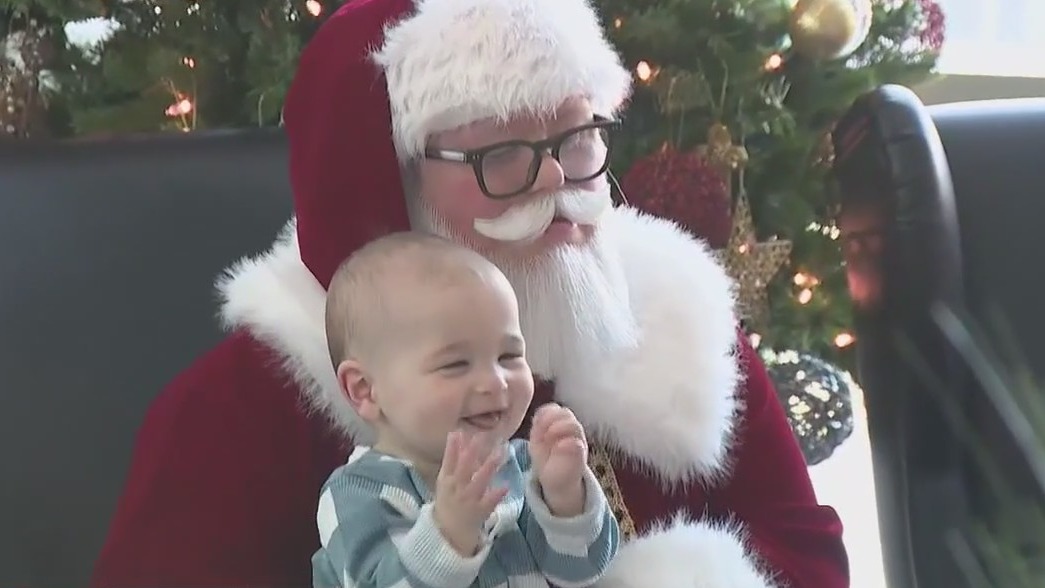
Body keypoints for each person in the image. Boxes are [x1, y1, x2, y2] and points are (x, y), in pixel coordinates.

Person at [90, 0, 849, 586]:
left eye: (576, 140)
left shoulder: (667, 314)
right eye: (505, 154)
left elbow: (804, 549)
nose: (555, 180)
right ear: (391, 178)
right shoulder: (257, 397)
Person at [314, 232, 619, 587]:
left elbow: (581, 571)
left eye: (509, 357)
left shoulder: (522, 466)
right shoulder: (356, 493)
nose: (496, 383)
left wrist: (564, 497)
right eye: (456, 364)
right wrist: (449, 532)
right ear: (365, 390)